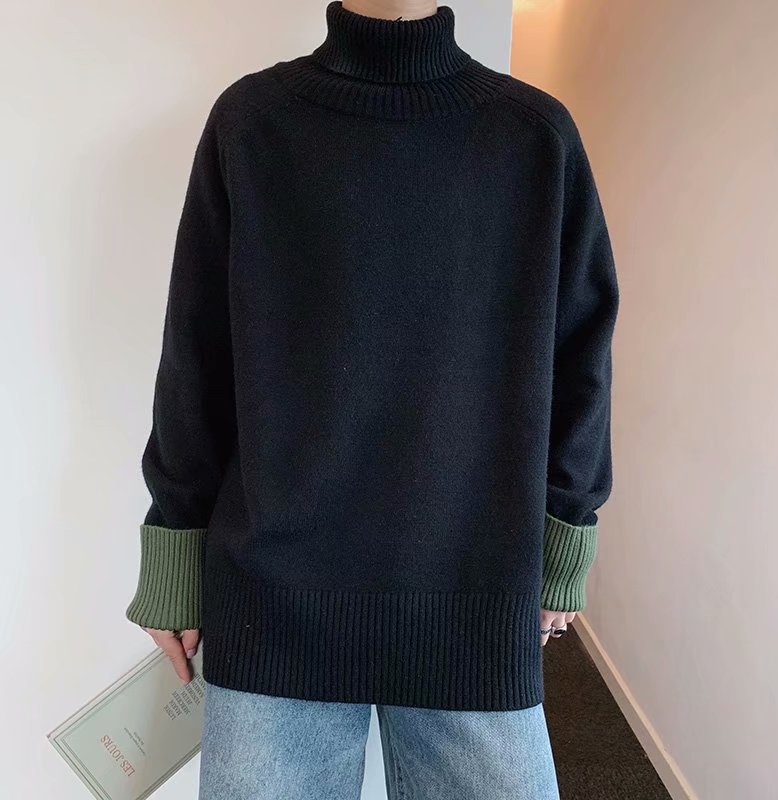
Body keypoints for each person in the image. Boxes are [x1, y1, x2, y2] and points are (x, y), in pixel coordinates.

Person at [125, 1, 619, 798]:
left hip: (473, 590)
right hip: (274, 601)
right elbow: (198, 353)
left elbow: (581, 352)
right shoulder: (253, 124)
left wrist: (565, 537)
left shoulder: (533, 136)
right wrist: (174, 554)